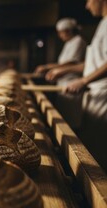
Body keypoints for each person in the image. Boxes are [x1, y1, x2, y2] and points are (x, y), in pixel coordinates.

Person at [47, 0, 107, 169]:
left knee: (99, 150)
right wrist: (63, 71)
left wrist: (83, 80)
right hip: (94, 93)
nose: (87, 6)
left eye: (89, 0)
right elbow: (91, 64)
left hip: (103, 93)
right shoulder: (103, 24)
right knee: (91, 146)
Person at [35, 19, 87, 128]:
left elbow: (71, 62)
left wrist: (47, 67)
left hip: (72, 83)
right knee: (64, 118)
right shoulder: (69, 43)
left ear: (68, 31)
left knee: (71, 119)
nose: (59, 35)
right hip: (63, 83)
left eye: (60, 32)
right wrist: (51, 68)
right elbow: (62, 63)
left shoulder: (78, 41)